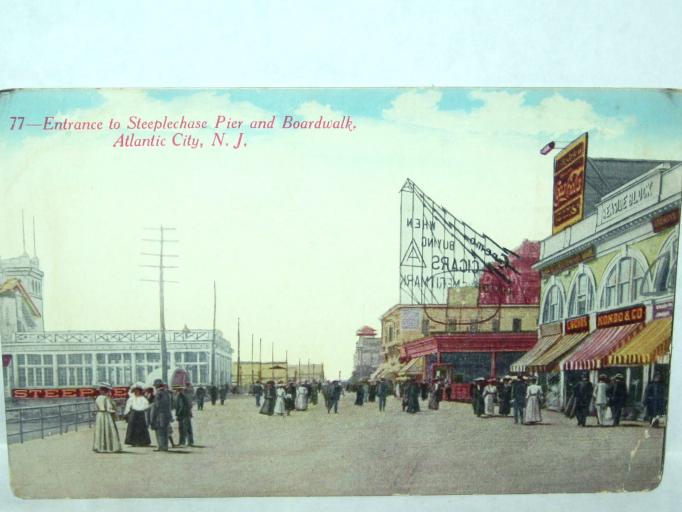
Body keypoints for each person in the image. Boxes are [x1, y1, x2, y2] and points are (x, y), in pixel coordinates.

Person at [93, 383, 122, 453]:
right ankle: (110, 446)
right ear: (106, 391)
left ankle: (100, 446)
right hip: (106, 415)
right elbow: (109, 408)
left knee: (100, 430)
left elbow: (95, 408)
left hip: (99, 415)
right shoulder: (107, 398)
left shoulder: (98, 398)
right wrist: (115, 412)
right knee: (108, 430)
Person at [123, 383, 151, 447]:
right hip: (133, 413)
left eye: (138, 391)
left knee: (141, 428)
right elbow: (128, 406)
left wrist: (143, 409)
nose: (137, 392)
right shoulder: (131, 399)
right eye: (135, 391)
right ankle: (132, 442)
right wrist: (126, 413)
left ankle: (142, 442)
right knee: (133, 428)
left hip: (141, 414)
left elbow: (147, 406)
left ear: (140, 391)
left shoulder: (143, 398)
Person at [149, 379, 173, 451]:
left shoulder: (158, 394)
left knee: (159, 432)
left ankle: (161, 446)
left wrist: (152, 418)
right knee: (165, 431)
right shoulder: (167, 393)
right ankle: (165, 446)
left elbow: (156, 406)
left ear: (156, 386)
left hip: (159, 416)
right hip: (167, 415)